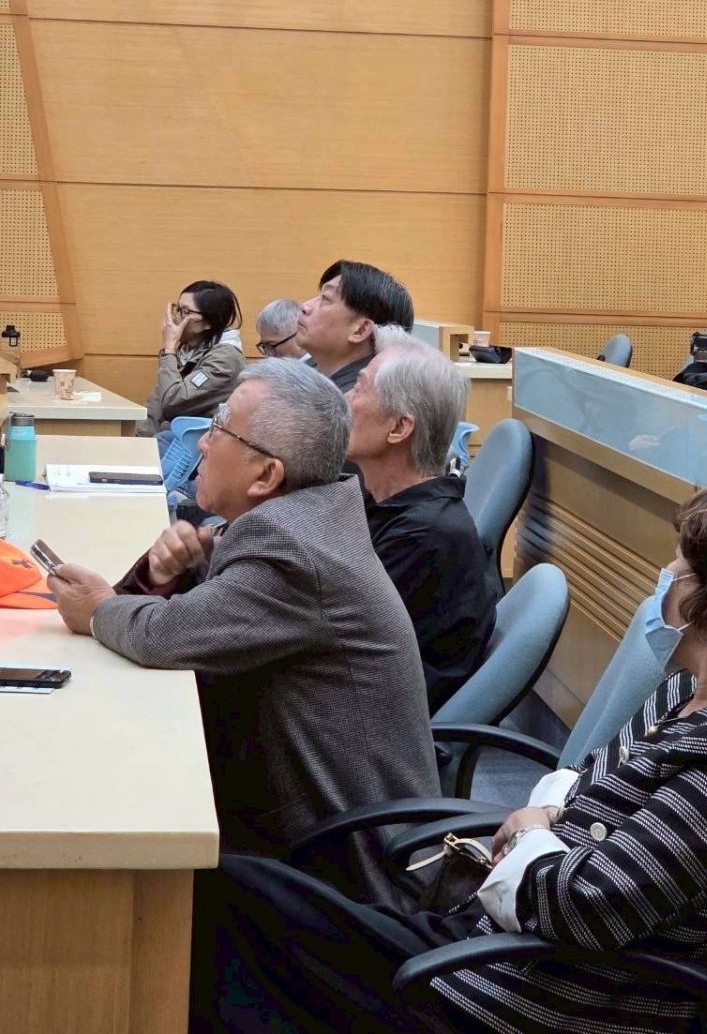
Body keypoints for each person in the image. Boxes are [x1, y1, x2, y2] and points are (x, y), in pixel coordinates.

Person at [188, 478, 707, 1033]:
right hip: (493, 947)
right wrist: (548, 824)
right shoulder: (694, 690)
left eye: (680, 566)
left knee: (217, 906)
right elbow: (591, 788)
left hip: (527, 999)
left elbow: (590, 905)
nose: (664, 579)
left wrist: (532, 836)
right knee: (225, 890)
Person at [48, 359, 440, 901]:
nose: (202, 443)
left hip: (343, 870)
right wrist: (163, 575)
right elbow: (203, 620)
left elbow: (162, 637)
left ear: (266, 476)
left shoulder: (291, 550)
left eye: (219, 428)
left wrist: (97, 608)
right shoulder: (305, 516)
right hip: (303, 815)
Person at [347, 326, 495, 712]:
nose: (343, 400)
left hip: (369, 729)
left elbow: (322, 632)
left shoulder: (424, 536)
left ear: (398, 428)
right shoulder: (386, 503)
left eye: (358, 389)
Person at [138, 280, 245, 436]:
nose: (174, 319)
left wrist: (169, 350)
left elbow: (174, 401)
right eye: (178, 309)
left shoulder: (225, 360)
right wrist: (138, 441)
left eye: (185, 312)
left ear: (208, 322)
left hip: (192, 446)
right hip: (163, 441)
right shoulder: (188, 350)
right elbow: (156, 405)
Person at [297, 260, 414, 393]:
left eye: (326, 298)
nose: (305, 306)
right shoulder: (309, 369)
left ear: (360, 330)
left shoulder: (351, 402)